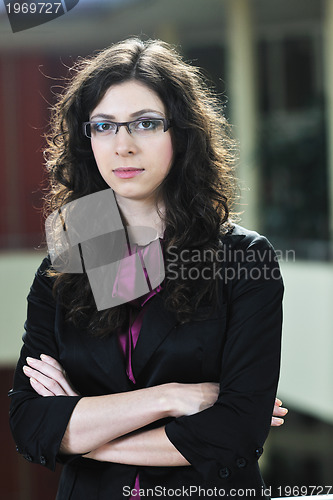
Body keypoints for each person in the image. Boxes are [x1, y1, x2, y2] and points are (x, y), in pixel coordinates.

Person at [9, 38, 286, 500]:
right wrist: (171, 398)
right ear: (87, 138)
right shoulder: (68, 263)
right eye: (103, 126)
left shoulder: (241, 257)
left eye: (146, 123)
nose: (123, 145)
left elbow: (236, 432)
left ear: (183, 133)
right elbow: (30, 424)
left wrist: (83, 432)